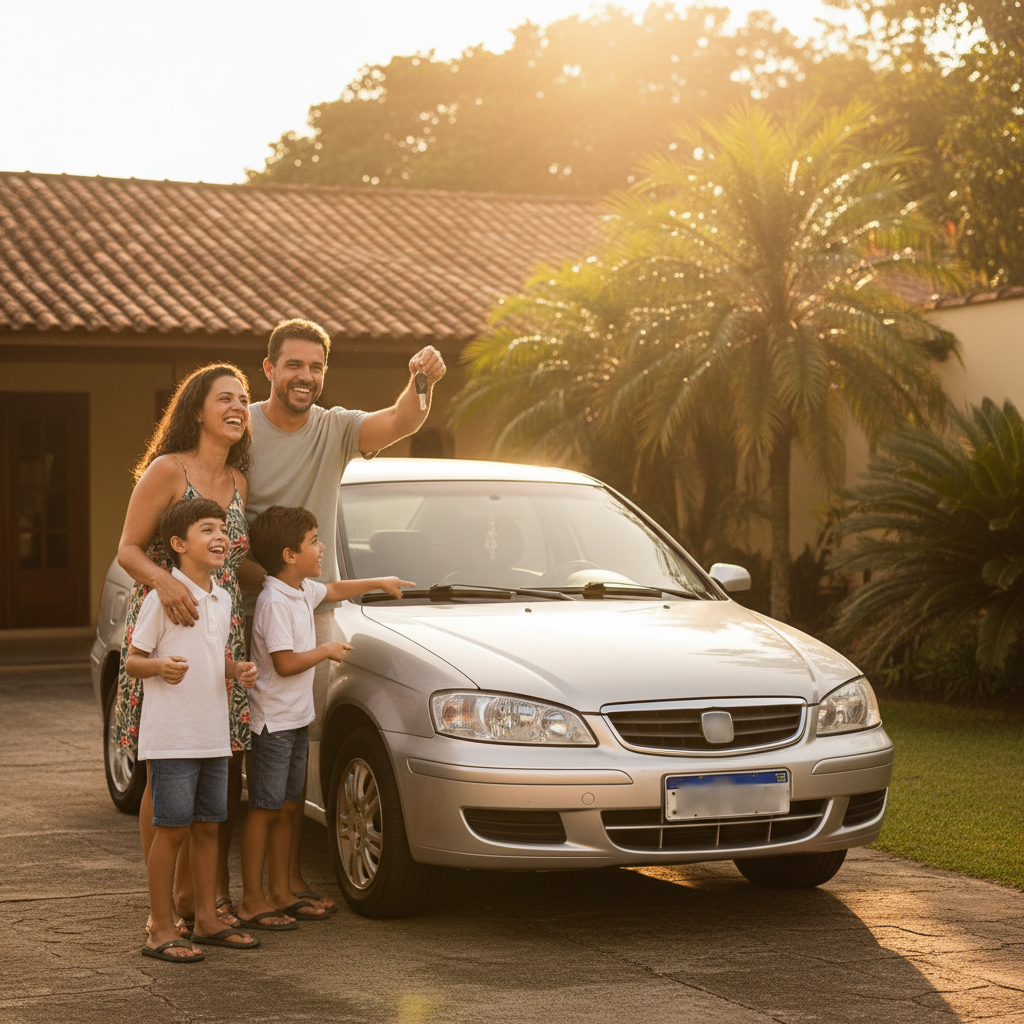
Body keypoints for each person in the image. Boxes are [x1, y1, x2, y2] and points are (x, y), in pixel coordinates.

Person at [242, 318, 445, 910]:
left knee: (299, 746)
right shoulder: (243, 428)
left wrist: (421, 380)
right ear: (270, 368)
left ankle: (287, 883)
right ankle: (221, 893)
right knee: (230, 756)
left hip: (308, 608)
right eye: (295, 365)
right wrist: (271, 582)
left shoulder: (334, 429)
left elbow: (401, 420)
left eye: (316, 367)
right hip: (240, 607)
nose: (306, 377)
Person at [114, 363, 254, 931]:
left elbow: (238, 559)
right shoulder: (167, 469)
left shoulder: (240, 482)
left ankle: (203, 900)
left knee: (211, 765)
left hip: (221, 629)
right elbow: (128, 549)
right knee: (163, 768)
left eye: (243, 399)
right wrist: (166, 583)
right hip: (164, 620)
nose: (237, 407)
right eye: (225, 397)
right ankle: (164, 904)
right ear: (197, 409)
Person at [238, 505, 412, 928]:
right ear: (289, 555)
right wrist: (327, 651)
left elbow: (332, 589)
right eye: (314, 541)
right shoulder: (274, 602)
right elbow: (284, 663)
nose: (321, 548)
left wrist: (379, 581)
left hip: (294, 720)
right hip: (272, 725)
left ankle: (280, 891)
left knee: (288, 806)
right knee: (264, 808)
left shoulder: (299, 590)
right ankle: (252, 899)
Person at [127, 498, 259, 961]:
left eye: (223, 528)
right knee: (173, 830)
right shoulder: (161, 599)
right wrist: (159, 665)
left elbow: (210, 656)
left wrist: (234, 669)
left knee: (209, 827)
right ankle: (160, 926)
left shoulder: (221, 598)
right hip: (173, 736)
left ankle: (206, 918)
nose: (220, 536)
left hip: (212, 734)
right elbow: (133, 660)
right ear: (179, 544)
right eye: (207, 529)